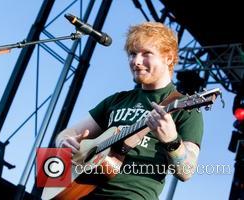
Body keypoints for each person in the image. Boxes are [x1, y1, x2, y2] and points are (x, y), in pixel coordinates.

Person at [55, 21, 203, 200]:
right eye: (133, 54)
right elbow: (65, 135)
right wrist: (65, 142)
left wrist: (172, 142)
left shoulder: (184, 107)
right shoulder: (117, 99)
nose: (137, 61)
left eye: (146, 53)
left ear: (169, 57)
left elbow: (187, 172)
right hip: (79, 192)